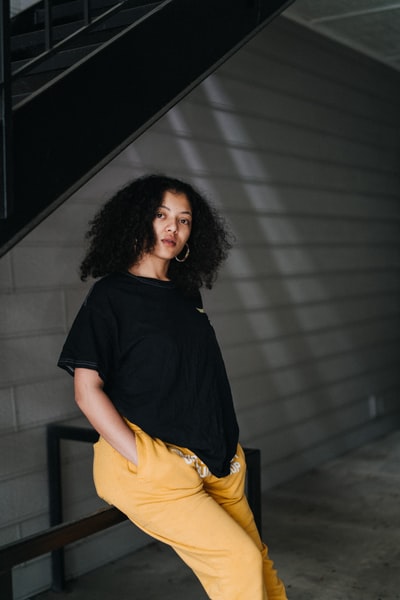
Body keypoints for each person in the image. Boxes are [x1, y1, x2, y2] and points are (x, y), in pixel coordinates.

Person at [58, 174, 288, 600]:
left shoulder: (185, 292)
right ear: (137, 220)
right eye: (161, 215)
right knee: (237, 561)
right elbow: (86, 390)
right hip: (153, 464)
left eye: (184, 220)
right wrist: (148, 462)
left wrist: (226, 449)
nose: (172, 228)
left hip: (215, 459)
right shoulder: (111, 296)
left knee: (259, 564)